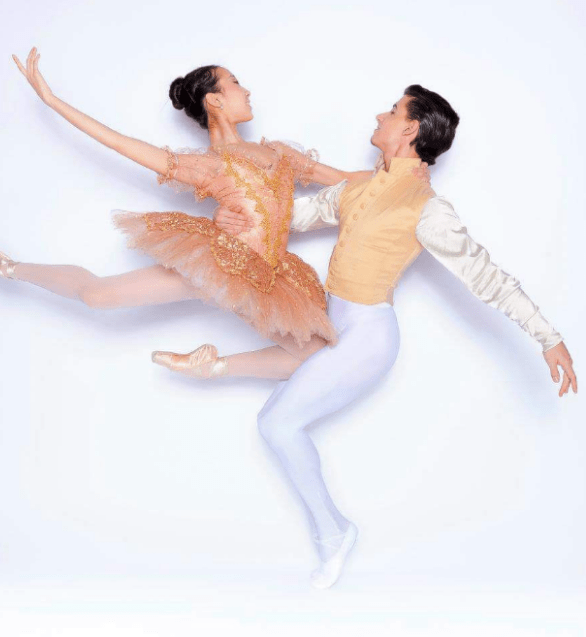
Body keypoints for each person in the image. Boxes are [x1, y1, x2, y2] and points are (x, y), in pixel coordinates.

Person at [153, 85, 578, 589]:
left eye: (393, 111)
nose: (380, 115)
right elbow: (287, 220)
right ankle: (216, 366)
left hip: (369, 338)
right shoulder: (359, 189)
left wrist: (548, 337)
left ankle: (334, 532)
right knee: (281, 402)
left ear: (410, 129)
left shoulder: (426, 207)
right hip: (333, 326)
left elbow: (486, 276)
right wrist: (233, 217)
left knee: (277, 423)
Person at [0, 48, 425, 356]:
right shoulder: (209, 165)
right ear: (215, 100)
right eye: (235, 83)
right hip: (221, 264)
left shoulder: (280, 153)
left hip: (269, 278)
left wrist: (409, 163)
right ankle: (6, 266)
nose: (247, 91)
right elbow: (122, 144)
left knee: (313, 354)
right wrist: (52, 101)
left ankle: (212, 366)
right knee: (99, 296)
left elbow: (348, 180)